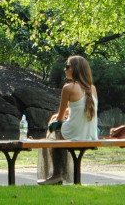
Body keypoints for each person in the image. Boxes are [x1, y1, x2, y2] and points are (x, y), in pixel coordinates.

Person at [38, 55, 99, 185]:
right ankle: (62, 173)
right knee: (60, 131)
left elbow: (59, 119)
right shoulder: (92, 88)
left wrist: (56, 118)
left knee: (52, 130)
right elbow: (80, 109)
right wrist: (65, 114)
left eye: (67, 66)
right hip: (90, 135)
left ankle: (56, 174)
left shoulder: (68, 88)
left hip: (75, 134)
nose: (64, 69)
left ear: (76, 69)